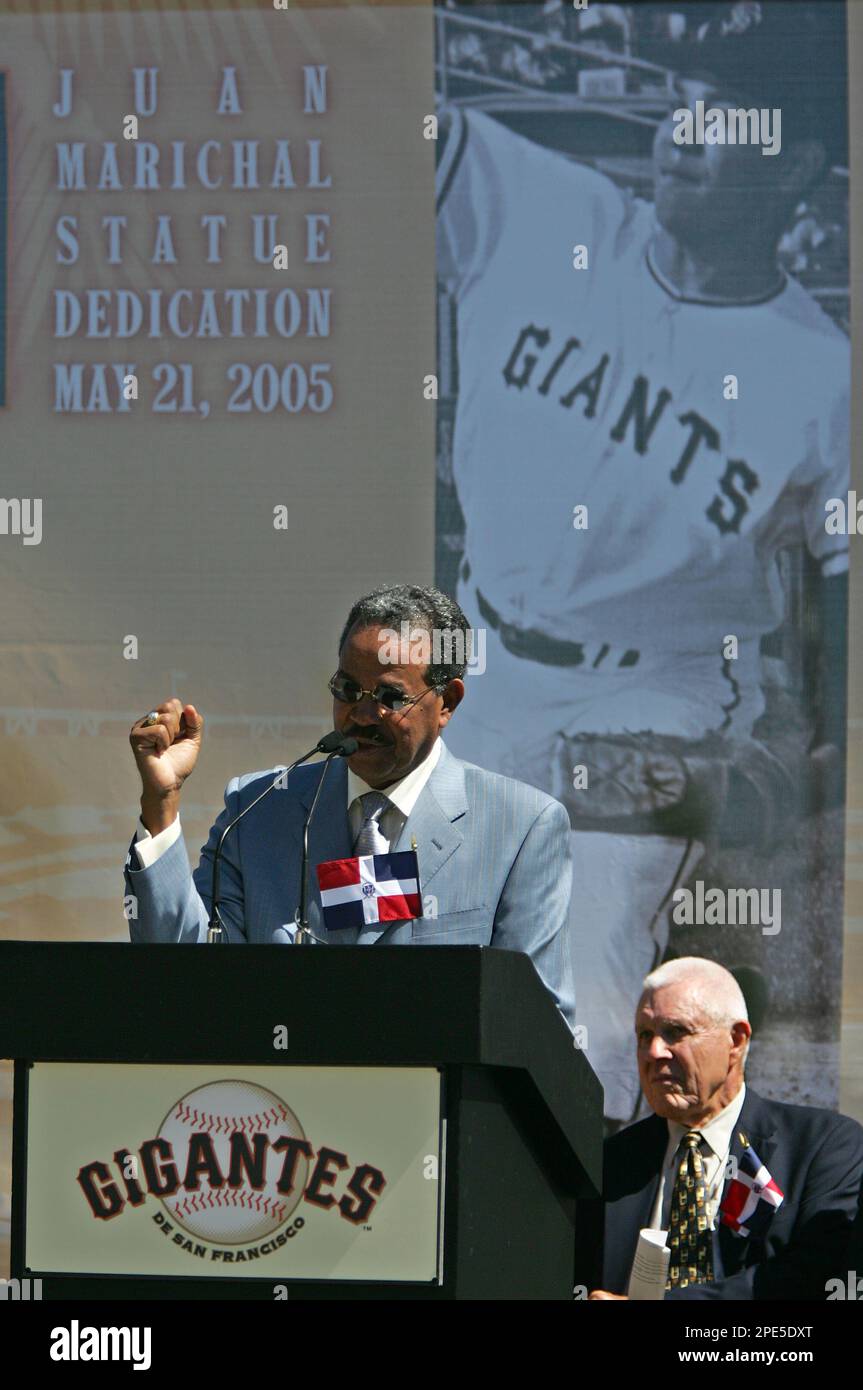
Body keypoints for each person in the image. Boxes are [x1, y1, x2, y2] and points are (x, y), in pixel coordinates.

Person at [436, 0, 848, 1124]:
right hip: (480, 657)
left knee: (590, 955)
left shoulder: (823, 377)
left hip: (656, 686)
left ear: (797, 164)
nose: (684, 134)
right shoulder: (542, 211)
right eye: (682, 109)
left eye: (726, 125)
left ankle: (579, 1249)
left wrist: (819, 733)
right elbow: (361, 138)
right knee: (422, 941)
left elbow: (840, 575)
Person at [123, 583, 575, 1028]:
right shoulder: (259, 809)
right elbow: (186, 977)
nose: (360, 715)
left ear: (447, 702)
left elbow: (537, 1024)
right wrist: (160, 804)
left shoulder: (521, 829)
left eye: (390, 697)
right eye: (347, 689)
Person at [587, 957, 863, 1300]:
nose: (653, 1051)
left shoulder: (823, 1147)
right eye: (645, 1035)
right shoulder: (609, 1163)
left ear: (736, 1040)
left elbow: (813, 1277)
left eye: (675, 1032)